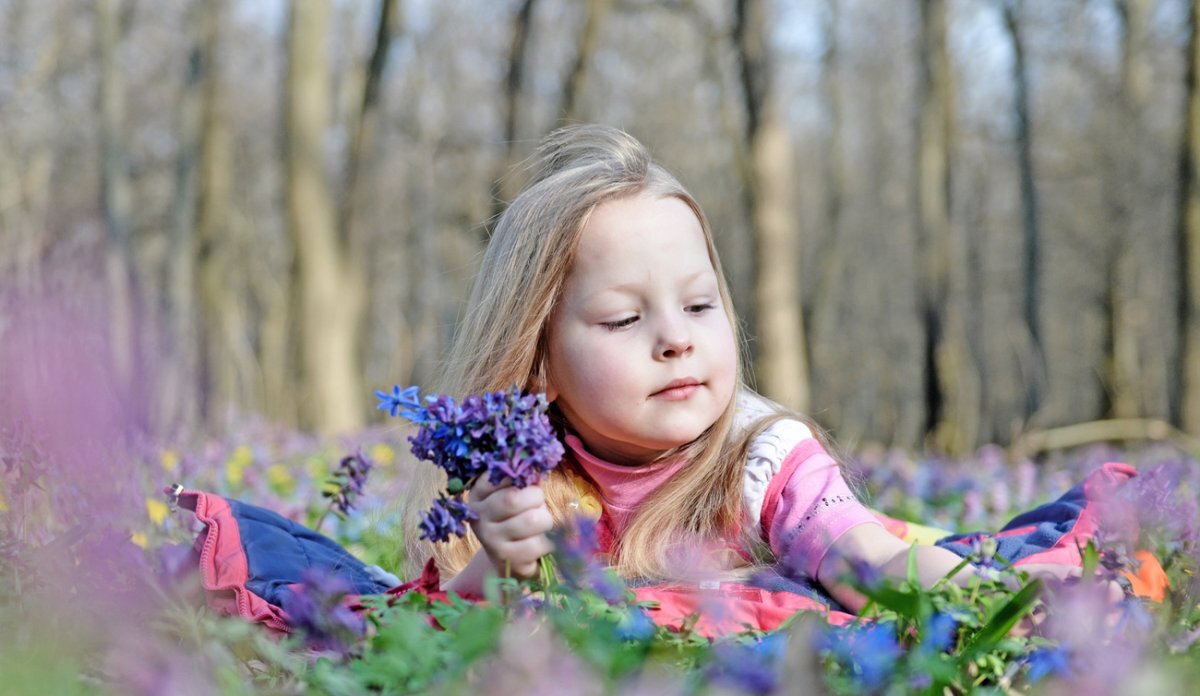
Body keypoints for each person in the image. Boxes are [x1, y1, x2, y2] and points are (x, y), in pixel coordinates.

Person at [403, 123, 1080, 627]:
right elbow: (447, 632)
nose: (676, 338)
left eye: (700, 305)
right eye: (623, 319)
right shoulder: (522, 477)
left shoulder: (765, 461)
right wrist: (499, 560)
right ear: (540, 360)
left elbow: (867, 565)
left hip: (871, 539)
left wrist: (1018, 602)